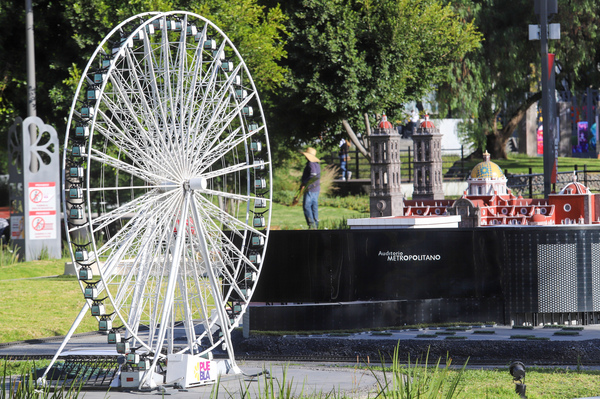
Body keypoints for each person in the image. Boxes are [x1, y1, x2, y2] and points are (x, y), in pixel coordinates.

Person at [300, 147, 321, 229]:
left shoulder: (311, 164)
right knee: (314, 206)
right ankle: (316, 224)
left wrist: (305, 183)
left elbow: (313, 175)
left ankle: (311, 224)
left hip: (310, 188)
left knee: (307, 206)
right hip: (316, 188)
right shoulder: (316, 164)